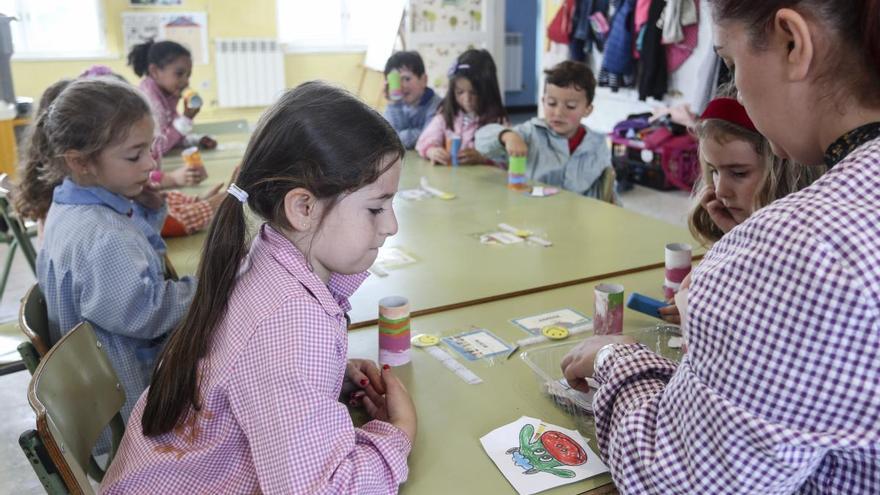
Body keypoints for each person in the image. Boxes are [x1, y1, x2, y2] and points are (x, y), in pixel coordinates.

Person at [561, 1, 880, 492]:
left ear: (792, 42)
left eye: (729, 62)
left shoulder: (805, 245)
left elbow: (673, 479)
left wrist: (617, 358)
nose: (739, 91)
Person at [102, 82, 417, 493]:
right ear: (303, 207)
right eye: (376, 207)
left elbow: (254, 371)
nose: (391, 225)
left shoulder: (264, 257)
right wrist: (400, 433)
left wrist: (324, 378)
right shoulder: (291, 324)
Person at [21, 78, 196, 422]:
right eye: (135, 155)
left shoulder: (68, 204)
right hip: (131, 408)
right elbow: (146, 313)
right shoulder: (103, 234)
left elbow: (131, 258)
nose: (150, 164)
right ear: (81, 161)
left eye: (150, 149)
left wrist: (145, 204)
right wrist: (203, 290)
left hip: (101, 394)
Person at [658, 94, 825, 323]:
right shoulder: (743, 230)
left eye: (738, 173)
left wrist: (714, 310)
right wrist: (735, 238)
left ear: (785, 173)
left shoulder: (811, 244)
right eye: (714, 171)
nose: (720, 190)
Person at [476, 60, 613, 197]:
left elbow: (607, 191)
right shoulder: (531, 133)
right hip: (534, 210)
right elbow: (481, 140)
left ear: (587, 110)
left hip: (576, 214)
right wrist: (506, 136)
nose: (558, 113)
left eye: (570, 106)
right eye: (552, 103)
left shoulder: (597, 144)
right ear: (543, 102)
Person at [127, 39, 217, 162]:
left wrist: (197, 140)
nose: (186, 81)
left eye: (188, 75)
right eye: (179, 74)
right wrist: (186, 118)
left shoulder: (168, 95)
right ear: (155, 71)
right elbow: (157, 148)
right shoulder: (148, 101)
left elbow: (172, 135)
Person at [416, 49, 507, 165]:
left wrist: (483, 159)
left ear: (488, 91)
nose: (467, 99)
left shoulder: (498, 122)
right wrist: (432, 151)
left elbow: (507, 160)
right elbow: (424, 141)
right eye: (460, 92)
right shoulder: (447, 115)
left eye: (474, 92)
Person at [382, 50, 442, 149]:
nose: (401, 86)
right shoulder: (395, 105)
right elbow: (388, 138)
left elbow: (427, 138)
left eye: (406, 79)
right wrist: (394, 103)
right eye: (395, 80)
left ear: (424, 80)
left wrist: (400, 135)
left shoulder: (437, 105)